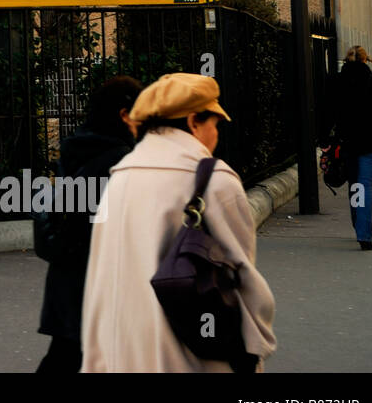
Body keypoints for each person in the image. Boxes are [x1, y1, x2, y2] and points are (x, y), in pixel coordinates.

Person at [80, 73, 276, 372]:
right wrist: (255, 349)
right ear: (194, 121)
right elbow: (242, 277)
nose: (216, 134)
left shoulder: (120, 177)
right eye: (215, 124)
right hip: (195, 357)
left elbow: (99, 283)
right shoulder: (215, 180)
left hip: (123, 357)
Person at [36, 76, 142, 373]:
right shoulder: (120, 160)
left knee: (65, 357)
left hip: (66, 281)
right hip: (98, 287)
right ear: (123, 115)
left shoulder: (77, 148)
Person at [327, 47, 372, 249]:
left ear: (346, 60)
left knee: (355, 186)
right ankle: (364, 234)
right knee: (366, 186)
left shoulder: (336, 81)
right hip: (371, 141)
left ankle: (358, 225)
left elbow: (327, 112)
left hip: (347, 142)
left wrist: (326, 139)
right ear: (366, 60)